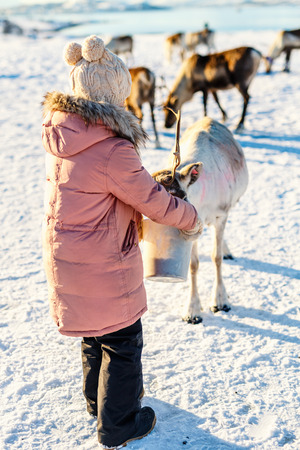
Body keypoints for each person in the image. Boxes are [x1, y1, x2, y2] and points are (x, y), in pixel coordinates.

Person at [41, 35, 202, 449]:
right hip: (103, 259)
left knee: (95, 333)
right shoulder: (113, 148)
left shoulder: (62, 137)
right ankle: (119, 423)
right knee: (123, 339)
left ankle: (99, 403)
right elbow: (151, 201)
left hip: (65, 255)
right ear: (114, 93)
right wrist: (190, 217)